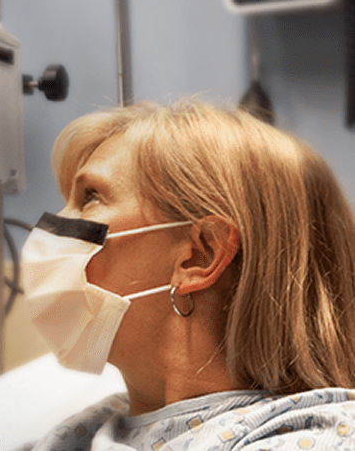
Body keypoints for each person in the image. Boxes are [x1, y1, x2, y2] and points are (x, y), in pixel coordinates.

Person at [19, 100, 355, 450]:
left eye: (90, 198)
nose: (52, 227)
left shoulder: (313, 436)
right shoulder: (90, 428)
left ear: (200, 255)